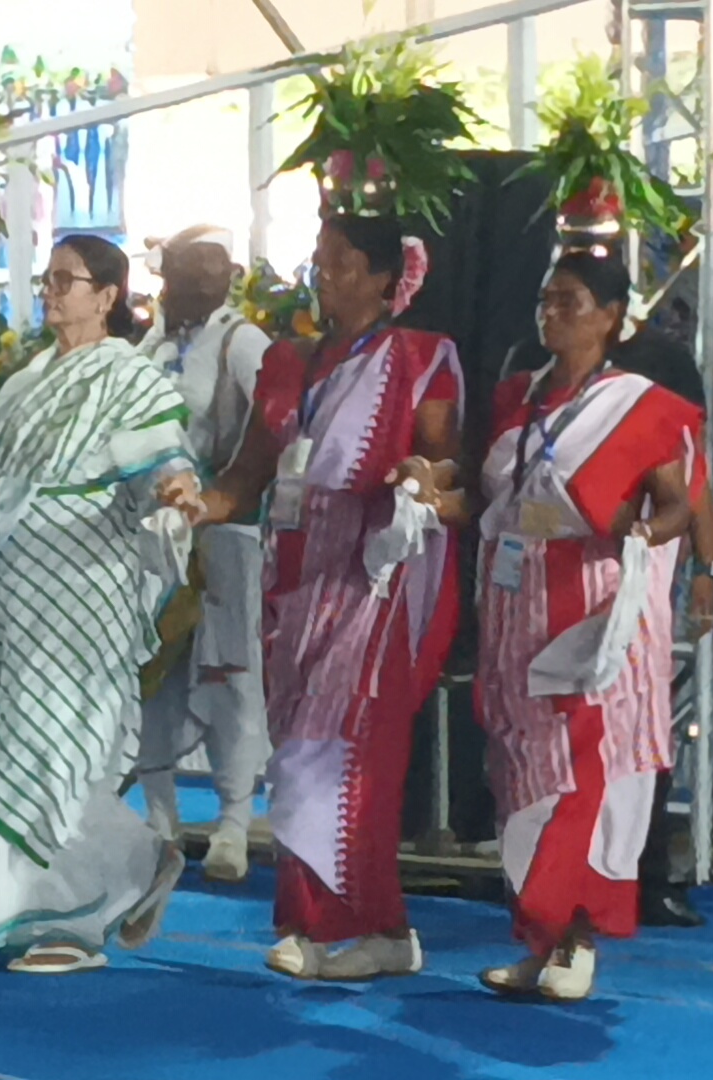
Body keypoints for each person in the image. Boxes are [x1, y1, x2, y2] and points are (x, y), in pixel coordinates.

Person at [0, 235, 196, 975]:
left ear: (108, 296)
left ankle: (71, 928)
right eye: (46, 279)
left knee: (58, 746)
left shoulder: (127, 376)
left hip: (86, 590)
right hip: (18, 590)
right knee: (21, 746)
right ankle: (136, 862)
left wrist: (176, 492)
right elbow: (4, 484)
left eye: (65, 281)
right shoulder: (32, 379)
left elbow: (161, 461)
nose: (49, 292)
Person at [190, 214, 464, 981]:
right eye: (319, 260)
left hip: (371, 578)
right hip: (290, 585)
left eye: (342, 263)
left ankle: (310, 927)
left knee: (338, 754)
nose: (324, 275)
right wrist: (192, 504)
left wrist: (418, 476)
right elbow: (247, 475)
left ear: (386, 277)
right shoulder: (287, 362)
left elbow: (446, 464)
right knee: (301, 753)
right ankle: (384, 931)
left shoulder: (421, 359)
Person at [471, 249, 700, 1002]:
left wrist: (650, 537)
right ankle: (536, 939)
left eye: (569, 301)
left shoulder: (637, 403)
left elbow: (678, 501)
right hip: (514, 610)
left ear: (611, 316)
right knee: (521, 777)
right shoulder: (518, 397)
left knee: (582, 776)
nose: (551, 313)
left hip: (593, 611)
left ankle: (577, 938)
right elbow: (496, 499)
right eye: (546, 299)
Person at [501, 315, 713, 929]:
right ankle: (542, 888)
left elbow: (691, 477)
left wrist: (707, 561)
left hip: (628, 587)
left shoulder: (658, 370)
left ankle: (635, 882)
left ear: (609, 310)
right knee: (542, 747)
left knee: (629, 737)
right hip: (534, 591)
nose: (554, 314)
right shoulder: (528, 375)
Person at [133, 226, 271, 883]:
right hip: (155, 536)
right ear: (168, 272)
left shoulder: (242, 341)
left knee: (231, 673)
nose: (204, 278)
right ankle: (161, 821)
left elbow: (275, 426)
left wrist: (220, 495)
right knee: (151, 673)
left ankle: (234, 825)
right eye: (192, 266)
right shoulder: (150, 343)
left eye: (218, 267)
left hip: (224, 531)